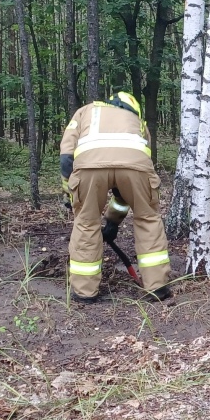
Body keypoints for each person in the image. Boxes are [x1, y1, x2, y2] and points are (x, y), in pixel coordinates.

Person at [60, 92, 173, 303]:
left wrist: (70, 192)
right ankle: (157, 288)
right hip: (136, 167)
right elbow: (127, 186)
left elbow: (67, 157)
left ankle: (85, 292)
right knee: (148, 218)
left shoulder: (85, 112)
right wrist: (112, 222)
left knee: (86, 222)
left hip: (88, 167)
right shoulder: (139, 123)